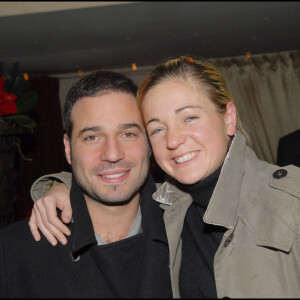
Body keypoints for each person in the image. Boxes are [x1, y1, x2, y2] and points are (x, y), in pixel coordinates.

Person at [28, 56, 300, 298]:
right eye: (157, 129)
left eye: (189, 118)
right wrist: (59, 187)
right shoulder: (169, 207)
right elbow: (109, 181)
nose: (174, 139)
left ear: (228, 118)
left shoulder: (293, 202)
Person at [0, 71, 172, 298]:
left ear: (149, 144)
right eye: (92, 137)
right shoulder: (13, 252)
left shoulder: (190, 230)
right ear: (68, 149)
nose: (112, 154)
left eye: (128, 134)